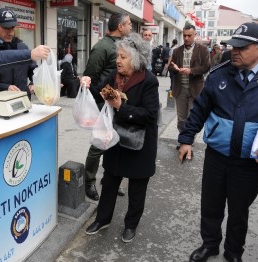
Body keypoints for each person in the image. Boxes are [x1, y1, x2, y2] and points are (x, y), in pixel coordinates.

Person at [178, 22, 258, 262]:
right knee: (211, 205)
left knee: (238, 211)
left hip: (248, 163)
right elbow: (200, 110)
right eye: (233, 45)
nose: (235, 51)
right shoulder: (219, 74)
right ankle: (210, 244)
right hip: (217, 157)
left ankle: (234, 252)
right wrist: (186, 140)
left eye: (242, 47)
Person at [83, 32, 159, 243]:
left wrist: (121, 107)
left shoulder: (149, 81)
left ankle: (130, 225)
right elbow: (99, 90)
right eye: (118, 56)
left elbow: (150, 115)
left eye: (123, 57)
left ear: (135, 59)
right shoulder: (115, 77)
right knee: (109, 182)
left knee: (136, 188)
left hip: (139, 143)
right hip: (116, 141)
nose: (118, 60)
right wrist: (86, 84)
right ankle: (102, 219)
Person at [82, 12, 132, 201]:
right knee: (98, 144)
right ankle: (89, 182)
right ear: (120, 26)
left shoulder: (121, 46)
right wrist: (101, 101)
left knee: (114, 143)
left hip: (119, 104)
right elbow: (89, 77)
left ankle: (109, 179)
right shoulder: (102, 47)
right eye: (128, 24)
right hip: (104, 105)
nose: (130, 28)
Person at [0, 8, 37, 100]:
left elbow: (34, 70)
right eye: (5, 28)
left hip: (23, 101)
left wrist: (35, 82)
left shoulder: (22, 47)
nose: (10, 32)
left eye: (12, 27)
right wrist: (5, 88)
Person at [168, 23, 210, 136]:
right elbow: (170, 66)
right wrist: (175, 68)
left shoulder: (203, 50)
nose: (186, 38)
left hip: (195, 89)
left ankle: (189, 140)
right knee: (181, 118)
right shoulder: (177, 51)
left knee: (191, 117)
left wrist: (191, 71)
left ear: (195, 35)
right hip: (180, 88)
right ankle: (183, 138)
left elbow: (206, 67)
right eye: (184, 35)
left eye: (189, 35)